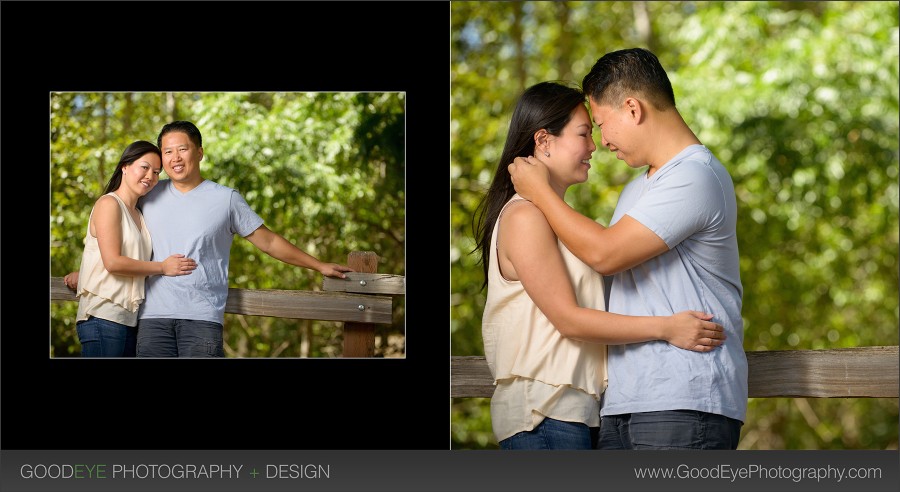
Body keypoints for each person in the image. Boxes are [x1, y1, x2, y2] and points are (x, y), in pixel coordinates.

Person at [507, 49, 747, 450]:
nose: (602, 142)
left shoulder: (694, 176)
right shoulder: (637, 189)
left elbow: (605, 254)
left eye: (600, 124)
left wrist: (541, 193)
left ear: (632, 109)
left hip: (684, 400)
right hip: (623, 403)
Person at [67, 121, 352, 357]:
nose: (175, 158)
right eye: (168, 152)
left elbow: (268, 241)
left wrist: (319, 266)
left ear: (199, 152)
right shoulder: (147, 194)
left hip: (201, 318)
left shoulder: (225, 199)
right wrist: (93, 270)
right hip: (150, 319)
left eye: (183, 149)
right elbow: (113, 242)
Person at [63, 140, 198, 357]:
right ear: (125, 166)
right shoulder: (109, 204)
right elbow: (113, 262)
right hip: (103, 317)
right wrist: (163, 267)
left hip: (129, 320)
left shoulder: (138, 214)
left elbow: (115, 257)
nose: (150, 177)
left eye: (156, 172)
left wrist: (86, 273)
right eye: (144, 167)